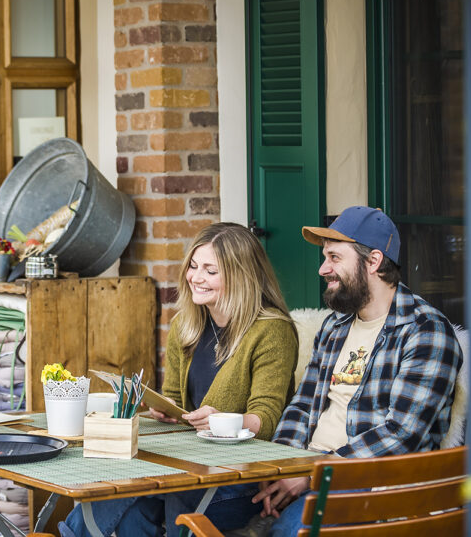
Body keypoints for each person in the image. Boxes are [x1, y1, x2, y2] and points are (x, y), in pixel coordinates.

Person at [60, 222, 299, 537]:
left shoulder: (272, 331)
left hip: (238, 477)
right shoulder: (187, 325)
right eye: (194, 266)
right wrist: (166, 409)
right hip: (185, 464)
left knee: (146, 495)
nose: (196, 277)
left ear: (241, 276)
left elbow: (266, 419)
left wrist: (223, 420)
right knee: (128, 501)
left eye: (211, 271)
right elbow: (175, 400)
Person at [250, 206, 463, 537]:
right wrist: (282, 467)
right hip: (308, 473)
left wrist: (311, 474)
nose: (323, 268)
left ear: (374, 261)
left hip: (373, 487)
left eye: (334, 257)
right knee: (191, 500)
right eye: (325, 258)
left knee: (289, 531)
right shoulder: (335, 326)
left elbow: (402, 434)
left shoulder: (425, 331)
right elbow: (304, 404)